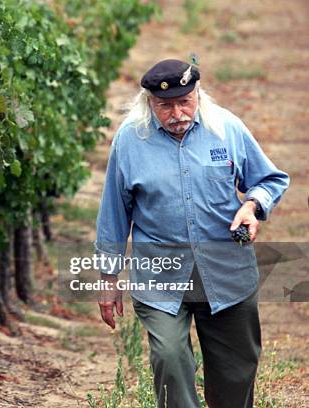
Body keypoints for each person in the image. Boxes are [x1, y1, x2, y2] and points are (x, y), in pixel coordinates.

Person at [94, 59, 289, 407]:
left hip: (226, 272)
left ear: (198, 93)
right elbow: (113, 210)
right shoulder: (129, 140)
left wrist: (252, 206)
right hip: (160, 276)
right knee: (169, 358)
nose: (177, 113)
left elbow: (269, 179)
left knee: (236, 372)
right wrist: (108, 277)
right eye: (165, 106)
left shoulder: (226, 128)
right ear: (148, 102)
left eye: (185, 101)